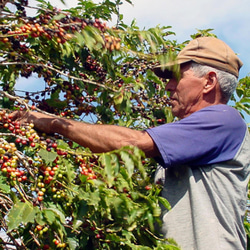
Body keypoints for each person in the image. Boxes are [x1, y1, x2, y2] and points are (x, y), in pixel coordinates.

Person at [11, 37, 250, 250]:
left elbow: (131, 142)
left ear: (209, 81)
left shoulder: (223, 120)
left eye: (177, 77)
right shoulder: (193, 139)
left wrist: (52, 123)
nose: (168, 86)